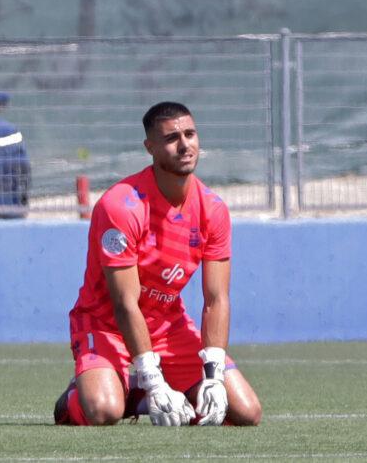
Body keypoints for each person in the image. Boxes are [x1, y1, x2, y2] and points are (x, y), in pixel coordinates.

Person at [53, 101, 262, 427]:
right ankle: (79, 397)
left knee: (245, 412)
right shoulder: (121, 206)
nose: (184, 145)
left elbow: (216, 299)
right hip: (105, 324)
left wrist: (214, 375)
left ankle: (133, 393)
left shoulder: (213, 209)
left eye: (190, 134)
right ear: (150, 147)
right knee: (103, 410)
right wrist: (152, 379)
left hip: (167, 325)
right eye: (171, 138)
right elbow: (125, 303)